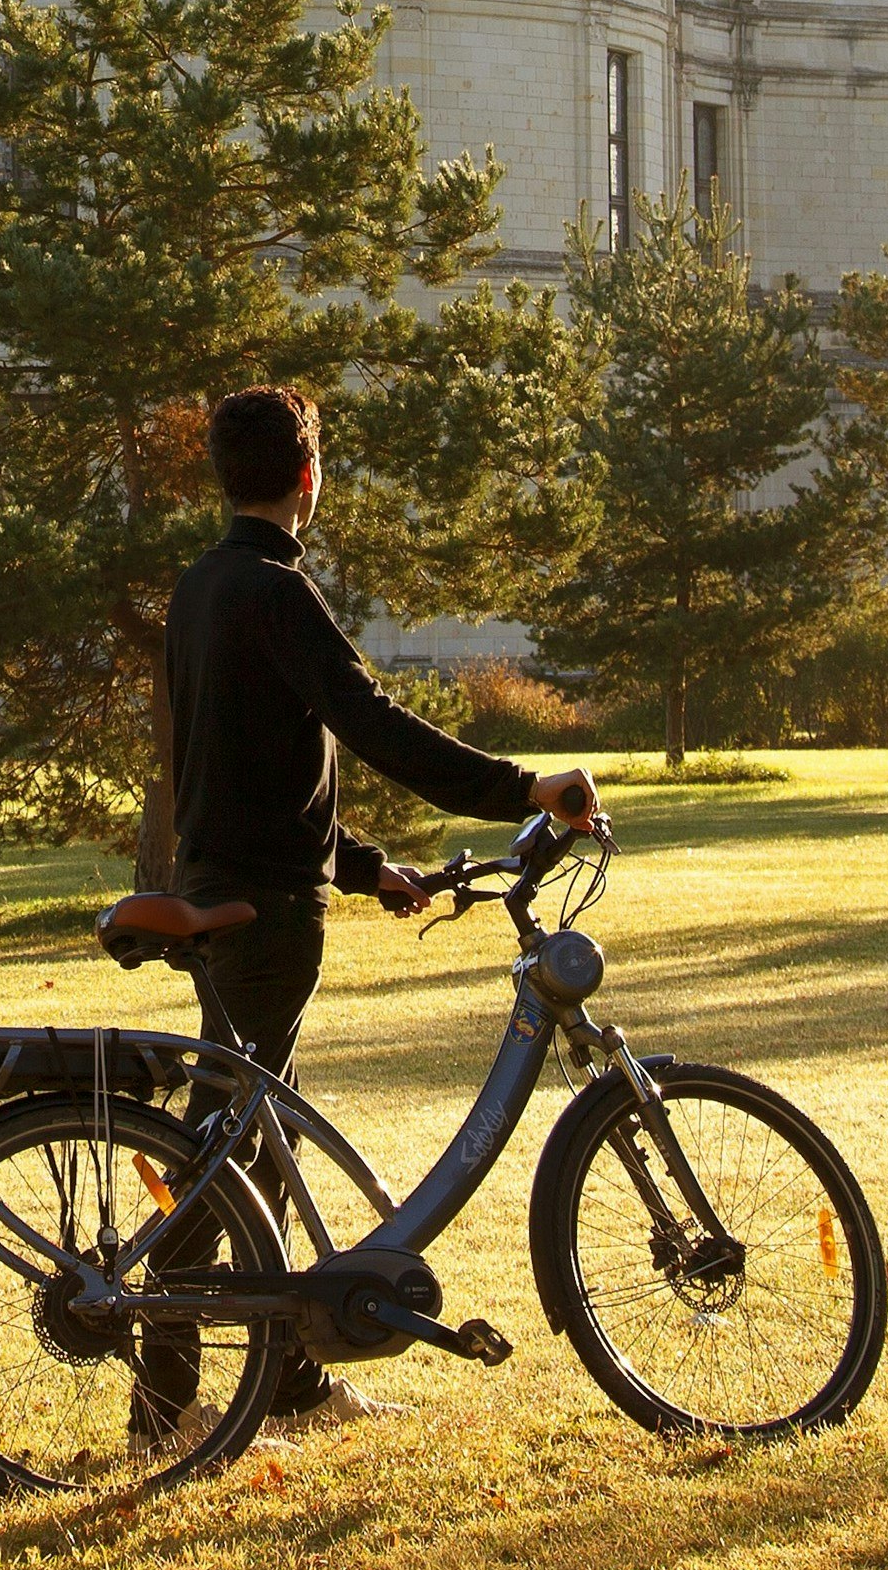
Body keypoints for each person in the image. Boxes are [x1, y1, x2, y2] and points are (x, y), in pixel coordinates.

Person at [146, 382, 595, 1435]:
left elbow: (235, 772)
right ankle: (161, 1403)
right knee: (224, 1150)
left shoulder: (200, 588)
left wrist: (361, 867)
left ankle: (288, 1383)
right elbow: (369, 721)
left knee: (254, 1143)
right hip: (263, 915)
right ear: (309, 476)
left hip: (221, 887)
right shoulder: (274, 589)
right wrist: (519, 788)